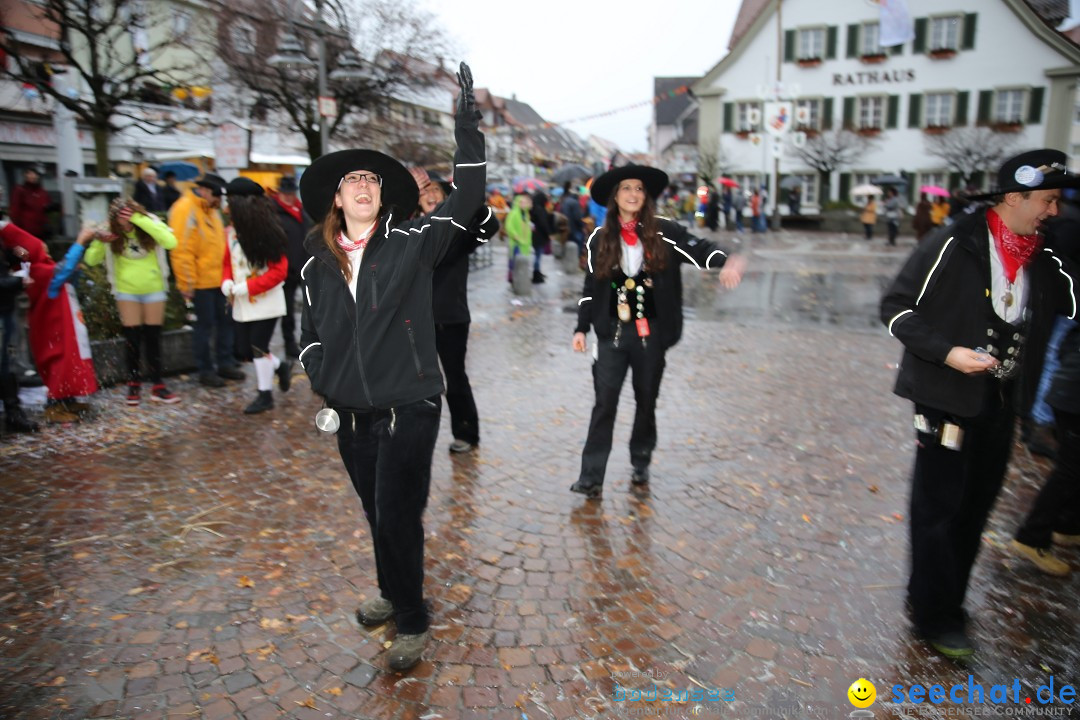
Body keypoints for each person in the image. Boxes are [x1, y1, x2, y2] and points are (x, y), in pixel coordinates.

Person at [297, 62, 485, 672]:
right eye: (352, 179)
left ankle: (411, 618)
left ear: (382, 196)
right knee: (375, 509)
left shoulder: (413, 243)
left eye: (372, 180)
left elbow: (470, 200)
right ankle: (392, 585)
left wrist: (467, 131)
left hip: (411, 403)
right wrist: (322, 374)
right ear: (337, 195)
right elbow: (307, 335)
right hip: (349, 411)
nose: (362, 185)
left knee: (398, 510)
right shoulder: (315, 263)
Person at [879, 149, 1080, 659]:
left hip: (1001, 402)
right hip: (943, 397)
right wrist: (947, 353)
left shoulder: (1045, 252)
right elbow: (895, 308)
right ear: (1014, 197)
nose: (1054, 210)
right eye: (1047, 200)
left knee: (975, 508)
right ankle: (934, 615)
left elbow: (1074, 299)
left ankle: (943, 598)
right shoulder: (954, 241)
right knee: (939, 510)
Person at [570, 164, 748, 498]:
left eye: (639, 189)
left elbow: (701, 248)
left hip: (650, 333)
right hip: (612, 335)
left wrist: (727, 261)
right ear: (614, 197)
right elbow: (590, 287)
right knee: (604, 404)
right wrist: (581, 328)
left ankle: (641, 458)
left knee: (646, 399)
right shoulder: (599, 239)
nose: (633, 194)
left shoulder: (666, 232)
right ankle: (591, 477)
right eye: (626, 188)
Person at [409, 166, 498, 454]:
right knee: (413, 381)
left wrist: (471, 200)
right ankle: (415, 435)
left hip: (450, 318)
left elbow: (490, 226)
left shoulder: (458, 234)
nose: (430, 195)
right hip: (413, 320)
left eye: (436, 190)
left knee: (455, 377)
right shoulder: (407, 231)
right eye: (424, 192)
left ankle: (466, 432)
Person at [82, 198, 180, 406]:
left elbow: (171, 242)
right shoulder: (108, 231)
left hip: (154, 288)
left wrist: (138, 219)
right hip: (126, 290)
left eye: (127, 217)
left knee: (153, 338)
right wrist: (101, 241)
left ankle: (157, 385)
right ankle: (133, 383)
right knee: (132, 339)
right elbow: (90, 260)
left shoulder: (150, 222)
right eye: (120, 218)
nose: (124, 223)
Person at [0, 220, 98, 423]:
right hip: (54, 333)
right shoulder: (37, 271)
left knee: (69, 364)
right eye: (41, 247)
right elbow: (62, 271)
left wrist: (75, 269)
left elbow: (66, 274)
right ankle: (54, 406)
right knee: (60, 366)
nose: (46, 247)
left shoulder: (40, 268)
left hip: (60, 331)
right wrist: (81, 240)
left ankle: (67, 400)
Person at [1011, 321, 1080, 576]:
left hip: (1067, 393)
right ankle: (1031, 538)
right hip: (1072, 398)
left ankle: (1068, 526)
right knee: (1069, 470)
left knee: (1072, 466)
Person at [220, 178, 292, 415]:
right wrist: (227, 281)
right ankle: (280, 365)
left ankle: (265, 395)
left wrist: (250, 286)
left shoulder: (268, 231)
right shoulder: (232, 232)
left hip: (265, 301)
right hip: (241, 300)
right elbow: (228, 261)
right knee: (244, 349)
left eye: (229, 201)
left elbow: (279, 271)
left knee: (258, 347)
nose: (226, 206)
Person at [169, 172, 245, 388]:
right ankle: (206, 369)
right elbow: (181, 249)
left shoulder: (210, 210)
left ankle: (224, 363)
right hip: (201, 283)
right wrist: (186, 284)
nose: (220, 201)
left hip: (218, 280)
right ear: (206, 191)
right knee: (204, 327)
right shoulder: (185, 208)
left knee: (225, 324)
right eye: (218, 196)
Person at [0, 225, 37, 433]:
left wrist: (14, 254)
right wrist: (18, 282)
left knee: (8, 362)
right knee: (6, 363)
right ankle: (13, 414)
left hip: (6, 308)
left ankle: (14, 412)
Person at [273, 175, 312, 360]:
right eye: (285, 193)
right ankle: (289, 342)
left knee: (310, 307)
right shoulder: (275, 212)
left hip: (304, 266)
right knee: (287, 310)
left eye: (291, 192)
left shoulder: (301, 210)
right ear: (280, 193)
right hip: (286, 270)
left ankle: (310, 340)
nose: (289, 196)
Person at [10, 167, 52, 239]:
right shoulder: (20, 190)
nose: (32, 176)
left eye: (34, 174)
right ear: (25, 176)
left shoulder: (42, 192)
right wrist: (17, 227)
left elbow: (46, 206)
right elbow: (15, 210)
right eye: (29, 174)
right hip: (26, 229)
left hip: (41, 229)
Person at [504, 192, 532, 284]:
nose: (524, 204)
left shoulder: (526, 214)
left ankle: (521, 277)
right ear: (518, 203)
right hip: (516, 242)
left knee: (523, 261)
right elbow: (509, 226)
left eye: (525, 202)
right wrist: (514, 235)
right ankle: (513, 278)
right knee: (514, 261)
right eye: (522, 202)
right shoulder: (514, 213)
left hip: (525, 243)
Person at [530, 189, 553, 283]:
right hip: (539, 236)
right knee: (538, 256)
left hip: (535, 235)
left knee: (537, 255)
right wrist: (549, 233)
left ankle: (538, 272)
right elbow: (543, 223)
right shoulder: (540, 210)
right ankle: (536, 275)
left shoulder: (534, 208)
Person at [561, 183, 585, 260]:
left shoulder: (566, 200)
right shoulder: (575, 203)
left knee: (569, 245)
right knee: (578, 244)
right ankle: (576, 259)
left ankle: (568, 258)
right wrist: (582, 226)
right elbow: (577, 217)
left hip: (567, 227)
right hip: (574, 228)